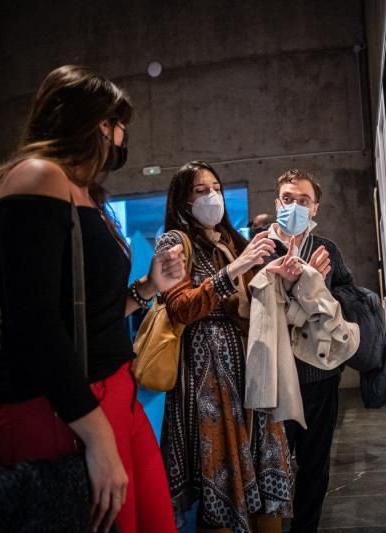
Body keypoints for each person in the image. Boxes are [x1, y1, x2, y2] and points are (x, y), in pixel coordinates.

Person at [0, 65, 184, 533]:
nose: (119, 136)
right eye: (115, 123)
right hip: (64, 407)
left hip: (113, 396)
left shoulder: (85, 193)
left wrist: (147, 289)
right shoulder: (38, 176)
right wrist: (97, 436)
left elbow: (90, 314)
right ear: (90, 123)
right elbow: (35, 325)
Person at [155, 161, 293, 533]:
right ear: (183, 198)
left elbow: (254, 298)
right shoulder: (173, 242)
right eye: (201, 190)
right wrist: (233, 271)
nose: (212, 195)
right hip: (209, 383)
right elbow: (181, 307)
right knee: (221, 480)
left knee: (267, 480)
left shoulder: (233, 240)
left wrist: (279, 275)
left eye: (215, 187)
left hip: (251, 370)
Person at [263, 169, 354, 533]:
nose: (295, 206)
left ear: (316, 206)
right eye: (288, 198)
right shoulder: (259, 248)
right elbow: (257, 316)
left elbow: (342, 304)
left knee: (315, 464)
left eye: (303, 200)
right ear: (276, 202)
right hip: (274, 377)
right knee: (272, 461)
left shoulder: (326, 249)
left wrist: (318, 285)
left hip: (319, 375)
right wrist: (303, 285)